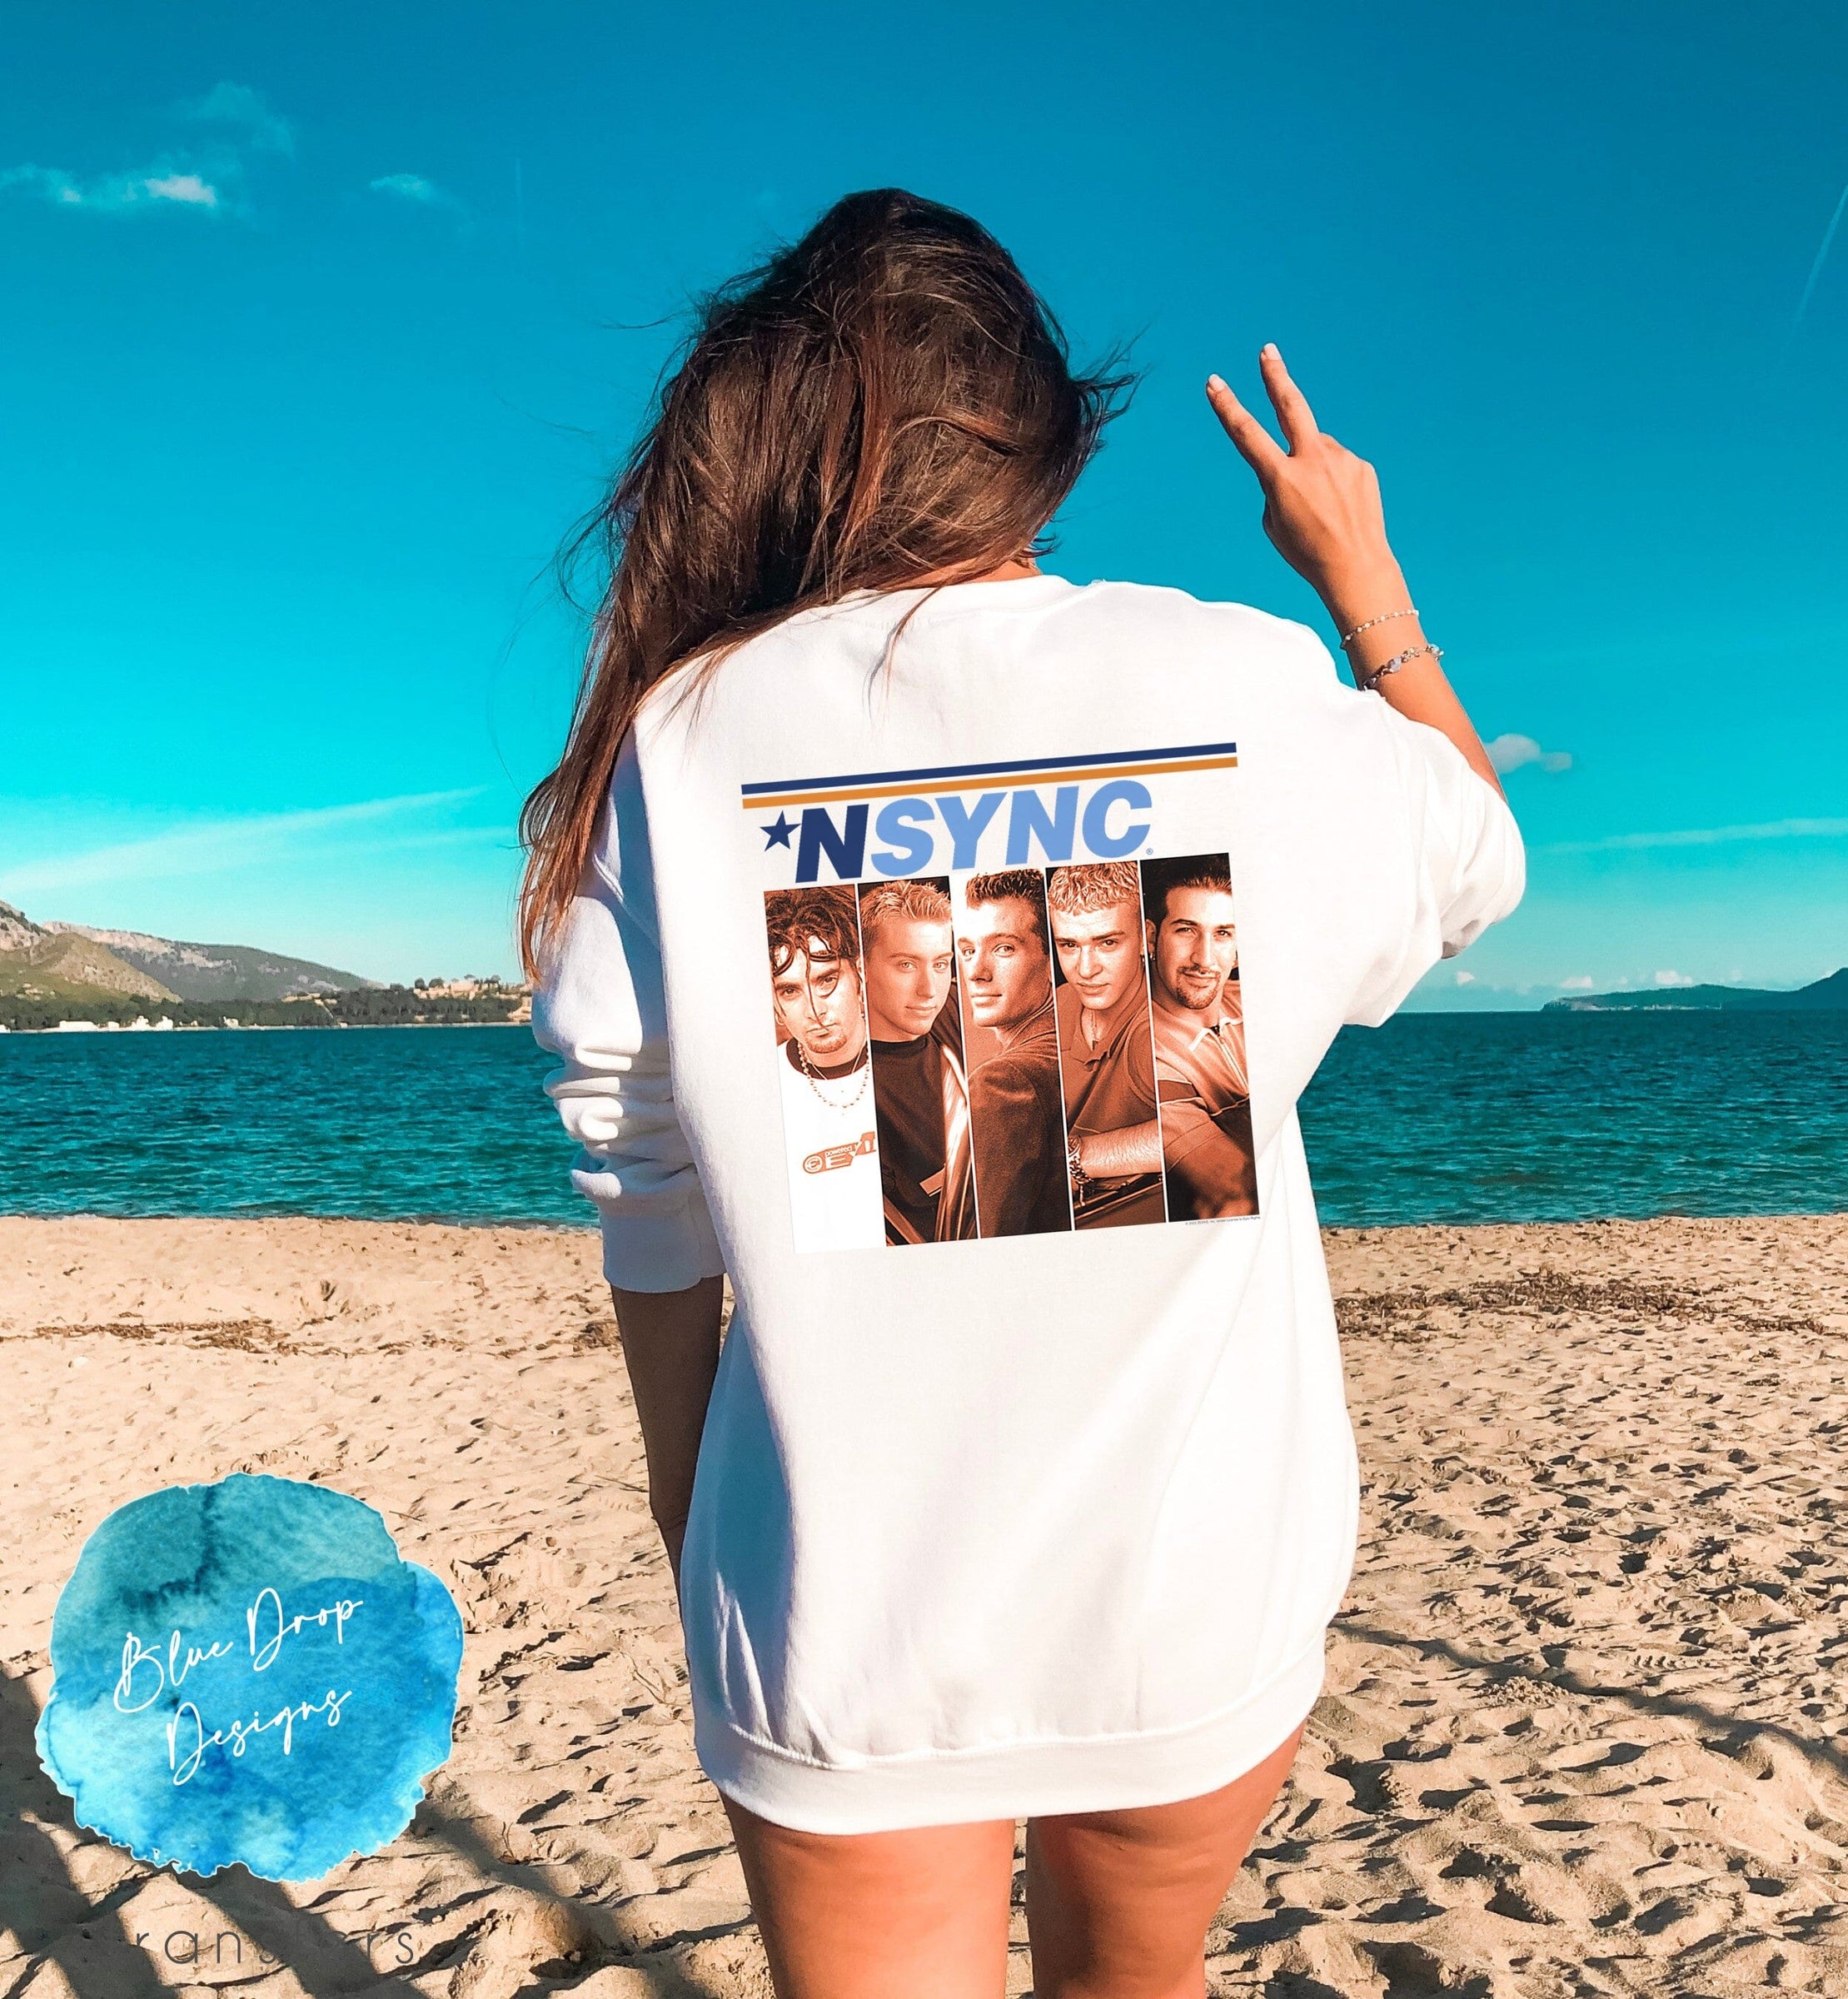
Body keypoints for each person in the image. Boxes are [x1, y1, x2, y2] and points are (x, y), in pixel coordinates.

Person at [528, 189, 1522, 1999]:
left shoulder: (685, 731)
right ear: (1044, 440)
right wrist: (1365, 586)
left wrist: (698, 1520)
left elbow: (641, 1178)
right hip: (1187, 1594)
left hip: (842, 1616)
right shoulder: (1241, 679)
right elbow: (1478, 854)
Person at [1046, 861, 1166, 1229]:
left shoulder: (1167, 1019)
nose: (1085, 969)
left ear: (1146, 938)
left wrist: (1072, 1159)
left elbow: (1211, 1130)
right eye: (1069, 945)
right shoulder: (1055, 1007)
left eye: (1107, 943)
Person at [859, 877, 976, 1244]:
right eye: (907, 965)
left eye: (940, 964)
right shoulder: (850, 1085)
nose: (929, 990)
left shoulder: (959, 1009)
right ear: (862, 967)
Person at [765, 886, 881, 1253]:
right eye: (790, 991)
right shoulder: (761, 1088)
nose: (815, 1010)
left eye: (826, 980)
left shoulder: (920, 1059)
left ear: (859, 975)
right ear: (775, 1003)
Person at [956, 869, 1071, 1238]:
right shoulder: (1076, 1051)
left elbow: (992, 1244)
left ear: (1052, 961)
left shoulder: (1002, 1083)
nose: (976, 973)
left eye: (1003, 948)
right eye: (968, 951)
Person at [1143, 856, 1258, 1222]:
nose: (1204, 958)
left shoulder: (1260, 1003)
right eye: (1186, 930)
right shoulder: (1147, 1051)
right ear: (1151, 937)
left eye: (1223, 934)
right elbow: (1234, 1188)